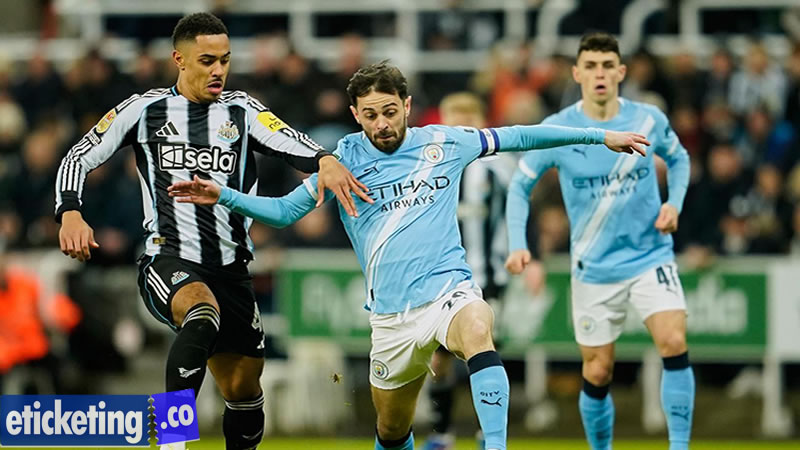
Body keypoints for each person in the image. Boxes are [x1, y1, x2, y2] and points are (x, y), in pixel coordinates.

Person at [168, 61, 648, 450]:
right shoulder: (342, 161)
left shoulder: (444, 142)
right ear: (355, 114)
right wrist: (224, 195)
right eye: (370, 115)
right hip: (391, 319)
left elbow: (520, 135)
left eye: (390, 111)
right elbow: (284, 212)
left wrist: (597, 136)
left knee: (477, 327)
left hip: (448, 291)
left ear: (408, 106)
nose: (382, 124)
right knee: (393, 429)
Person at [54, 12, 368, 450]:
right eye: (207, 60)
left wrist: (325, 160)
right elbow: (77, 156)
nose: (218, 70)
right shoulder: (143, 110)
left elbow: (290, 141)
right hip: (169, 256)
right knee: (201, 314)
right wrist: (70, 212)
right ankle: (172, 440)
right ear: (179, 60)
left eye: (225, 59)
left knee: (244, 389)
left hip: (231, 267)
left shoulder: (242, 110)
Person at [504, 32, 693, 450]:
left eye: (608, 65)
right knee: (597, 370)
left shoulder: (648, 119)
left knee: (673, 341)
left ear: (621, 72)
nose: (600, 74)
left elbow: (679, 158)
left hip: (650, 256)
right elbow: (519, 186)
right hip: (594, 266)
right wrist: (519, 243)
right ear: (577, 73)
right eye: (590, 66)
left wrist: (674, 203)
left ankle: (680, 446)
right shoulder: (558, 129)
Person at [423, 92, 529, 450]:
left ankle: (488, 435)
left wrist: (530, 252)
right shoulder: (429, 163)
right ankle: (442, 434)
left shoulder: (499, 165)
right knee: (438, 359)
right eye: (454, 116)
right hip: (440, 278)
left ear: (482, 121)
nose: (460, 124)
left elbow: (520, 207)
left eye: (468, 117)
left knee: (482, 350)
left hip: (488, 275)